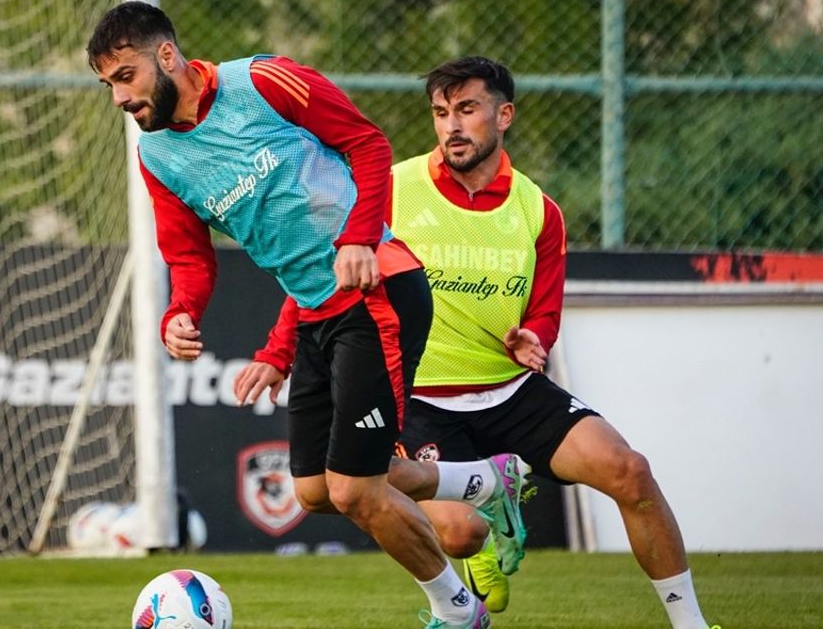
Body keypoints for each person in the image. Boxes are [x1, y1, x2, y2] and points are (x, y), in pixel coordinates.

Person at [87, 2, 525, 629]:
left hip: (380, 292)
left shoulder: (263, 81)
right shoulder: (158, 157)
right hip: (316, 312)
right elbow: (188, 255)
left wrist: (357, 239)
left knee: (356, 488)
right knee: (317, 492)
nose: (120, 99)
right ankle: (487, 482)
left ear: (165, 56)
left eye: (125, 76)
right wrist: (181, 313)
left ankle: (459, 614)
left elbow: (368, 144)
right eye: (108, 85)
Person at [238, 56, 717, 629]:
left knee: (631, 472)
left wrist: (532, 337)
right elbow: (323, 275)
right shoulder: (390, 188)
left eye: (467, 109)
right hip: (418, 398)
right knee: (459, 532)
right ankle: (488, 502)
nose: (451, 126)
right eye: (441, 113)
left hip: (508, 389)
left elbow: (544, 310)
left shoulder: (539, 211)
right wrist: (277, 351)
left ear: (504, 114)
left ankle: (691, 624)